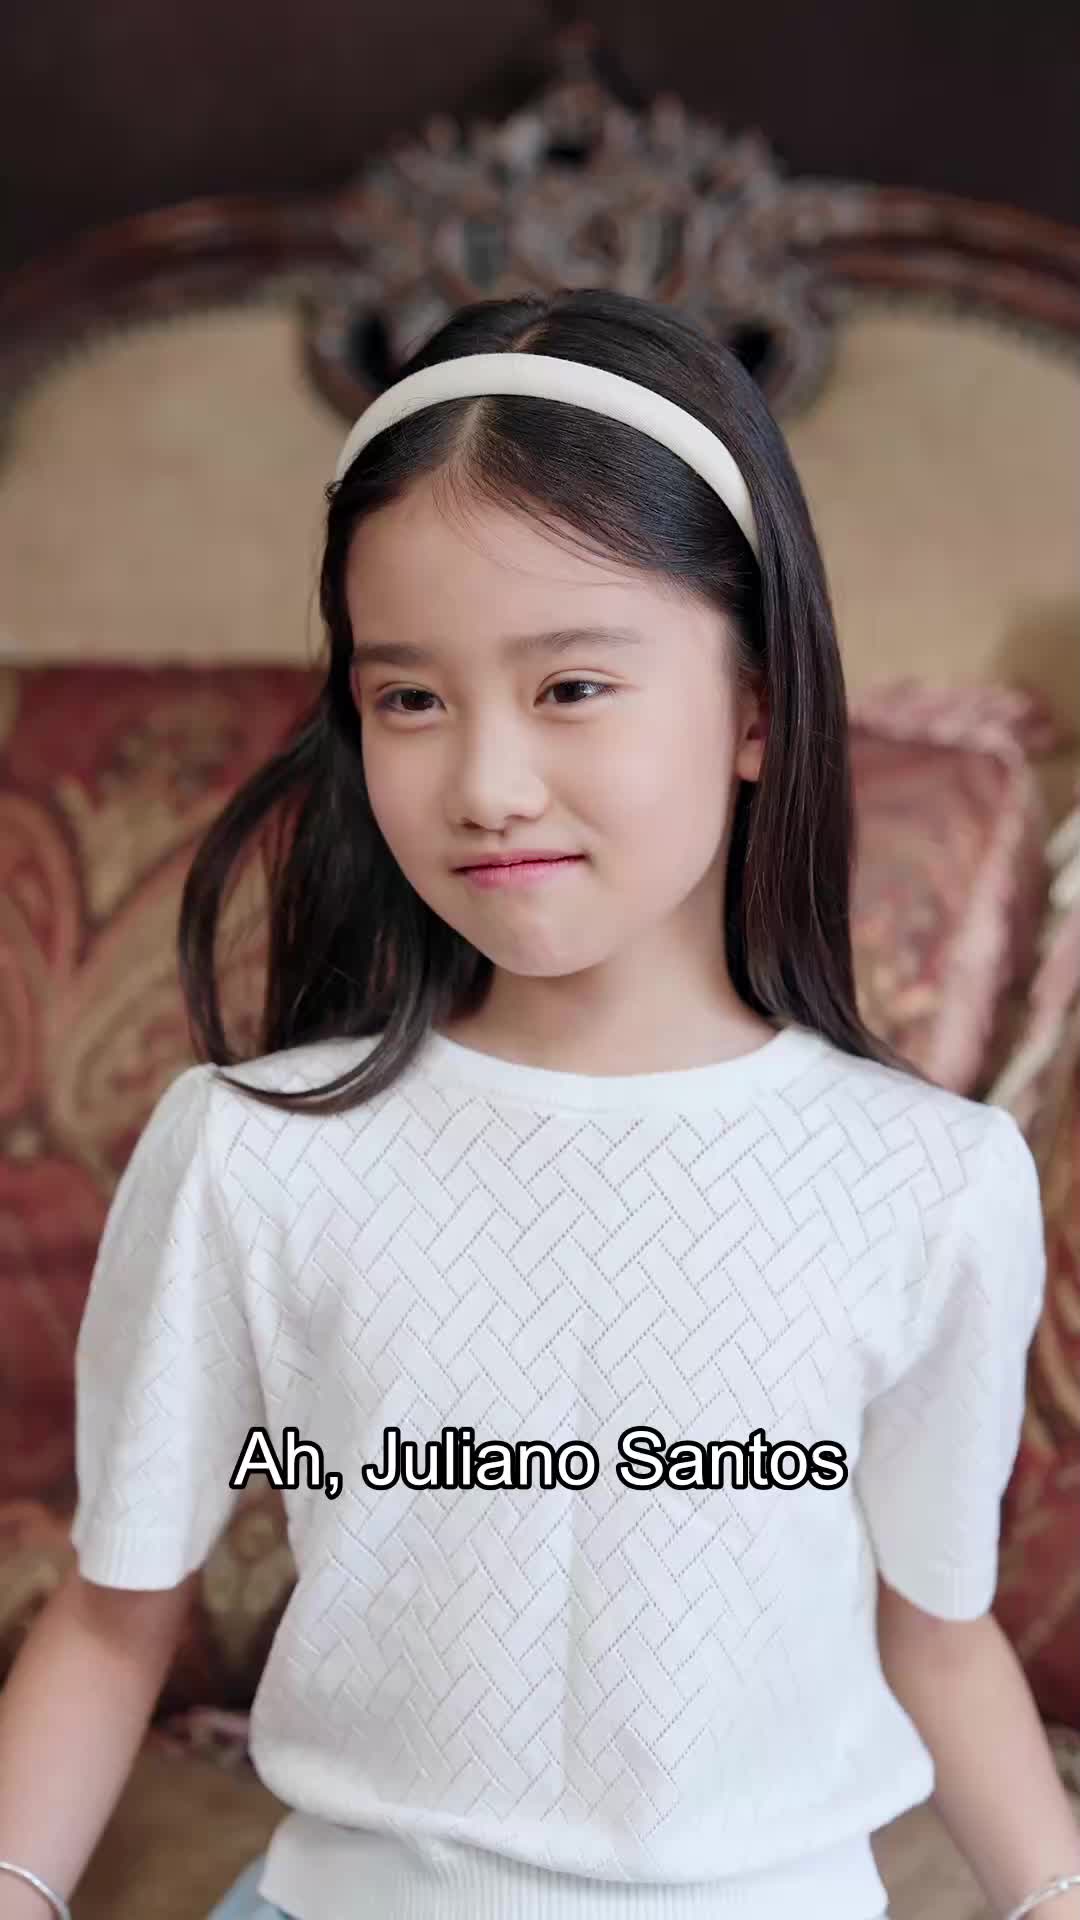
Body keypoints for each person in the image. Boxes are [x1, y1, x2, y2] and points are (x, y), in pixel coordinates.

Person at [1, 287, 1077, 1920]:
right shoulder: (252, 1155)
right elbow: (109, 1619)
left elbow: (934, 1632)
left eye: (572, 687)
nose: (488, 785)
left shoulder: (928, 1182)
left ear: (759, 709)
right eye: (410, 700)